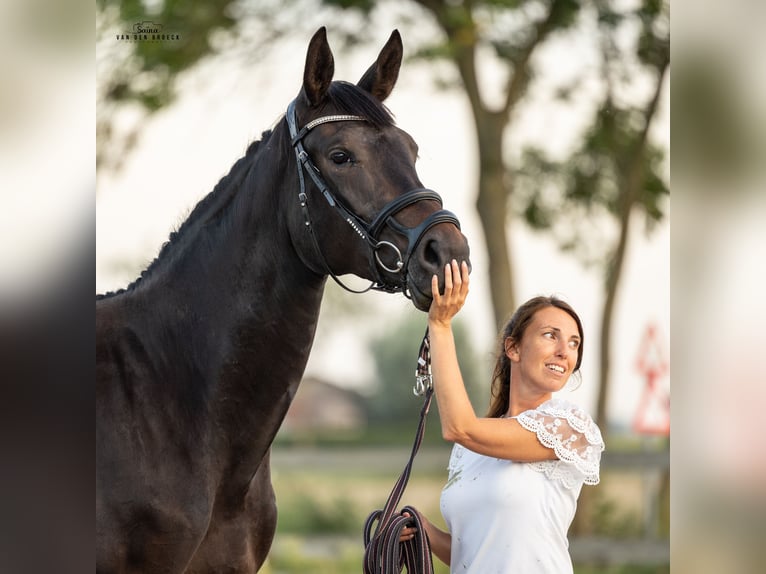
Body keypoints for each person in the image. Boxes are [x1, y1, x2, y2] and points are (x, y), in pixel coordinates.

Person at [400, 259, 605, 573]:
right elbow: (470, 551)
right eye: (551, 335)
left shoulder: (569, 427)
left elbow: (460, 427)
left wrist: (440, 326)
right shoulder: (469, 450)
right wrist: (422, 531)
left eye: (574, 343)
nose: (565, 351)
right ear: (514, 348)